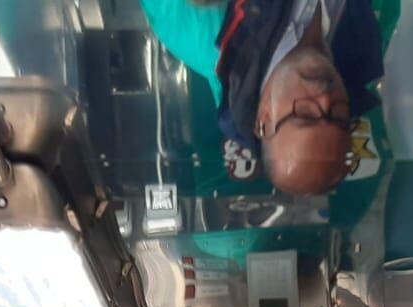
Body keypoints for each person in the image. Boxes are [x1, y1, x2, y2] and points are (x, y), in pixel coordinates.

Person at [140, 0, 398, 197]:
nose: (326, 99)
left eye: (306, 115)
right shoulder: (366, 40)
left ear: (263, 119)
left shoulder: (190, 24)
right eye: (339, 118)